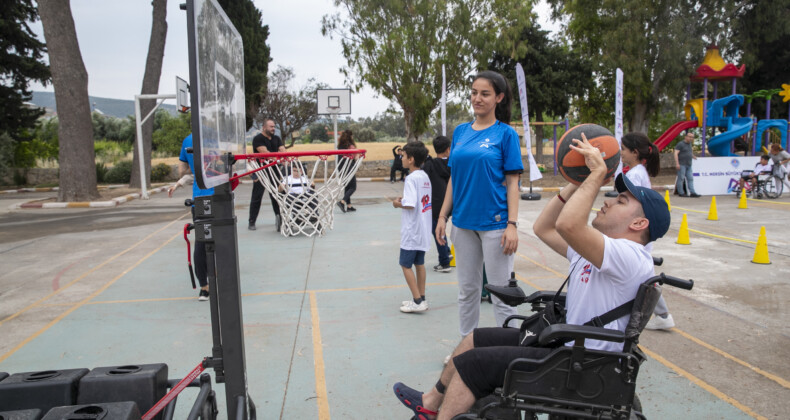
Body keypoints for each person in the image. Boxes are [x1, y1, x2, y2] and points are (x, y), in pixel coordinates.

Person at [392, 134, 671, 420]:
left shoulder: (632, 256)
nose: (609, 201)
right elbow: (545, 227)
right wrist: (575, 181)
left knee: (473, 365)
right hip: (567, 350)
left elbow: (568, 224)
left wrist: (598, 173)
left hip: (582, 362)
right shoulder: (602, 251)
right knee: (474, 340)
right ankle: (430, 402)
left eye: (621, 201)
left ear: (639, 223)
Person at [435, 70, 523, 338]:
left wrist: (512, 225)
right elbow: (454, 180)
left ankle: (509, 350)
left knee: (501, 293)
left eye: (485, 93)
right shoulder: (460, 132)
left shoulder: (505, 134)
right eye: (474, 92)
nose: (478, 98)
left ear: (499, 97)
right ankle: (466, 347)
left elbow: (513, 183)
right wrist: (442, 216)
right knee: (467, 291)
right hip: (462, 224)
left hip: (495, 225)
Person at [619, 132, 675, 330]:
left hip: (636, 231)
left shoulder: (634, 174)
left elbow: (630, 205)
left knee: (645, 277)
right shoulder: (639, 171)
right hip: (639, 230)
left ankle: (664, 314)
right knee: (643, 276)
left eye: (623, 149)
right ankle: (661, 314)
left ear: (634, 152)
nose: (621, 153)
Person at [169, 133, 213, 301]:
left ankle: (204, 287)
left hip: (200, 199)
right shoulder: (216, 135)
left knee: (201, 243)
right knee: (224, 240)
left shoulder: (187, 140)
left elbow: (182, 171)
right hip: (220, 196)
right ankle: (222, 280)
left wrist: (193, 170)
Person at [392, 141, 433, 313]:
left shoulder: (410, 178)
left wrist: (397, 203)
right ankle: (421, 298)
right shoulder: (424, 176)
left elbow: (410, 204)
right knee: (419, 263)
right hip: (423, 228)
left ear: (411, 159)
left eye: (403, 156)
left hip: (412, 230)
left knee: (405, 264)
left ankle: (417, 301)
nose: (401, 158)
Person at [249, 118, 286, 231]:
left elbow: (283, 151)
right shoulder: (258, 139)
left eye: (274, 126)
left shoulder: (276, 138)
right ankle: (252, 221)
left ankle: (279, 219)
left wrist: (282, 157)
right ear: (264, 127)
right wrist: (278, 157)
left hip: (274, 171)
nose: (273, 128)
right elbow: (266, 153)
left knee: (276, 196)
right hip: (262, 172)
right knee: (257, 197)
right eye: (271, 126)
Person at [422, 136, 452, 273]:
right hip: (449, 202)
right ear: (448, 149)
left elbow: (423, 179)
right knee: (440, 230)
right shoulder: (452, 164)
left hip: (435, 203)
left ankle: (444, 262)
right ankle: (446, 252)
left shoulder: (430, 165)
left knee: (437, 231)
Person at [337, 130, 358, 212]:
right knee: (353, 187)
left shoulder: (340, 146)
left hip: (341, 169)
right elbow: (355, 157)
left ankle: (349, 206)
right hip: (349, 167)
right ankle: (342, 202)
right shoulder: (351, 146)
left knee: (347, 186)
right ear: (350, 137)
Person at [674, 131, 700, 197]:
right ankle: (681, 192)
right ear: (686, 137)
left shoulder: (690, 144)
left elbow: (689, 152)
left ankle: (692, 192)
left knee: (690, 178)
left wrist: (693, 156)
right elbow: (675, 153)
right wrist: (677, 163)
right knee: (681, 178)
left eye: (692, 137)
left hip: (689, 164)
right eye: (690, 137)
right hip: (682, 164)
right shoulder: (680, 144)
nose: (691, 138)